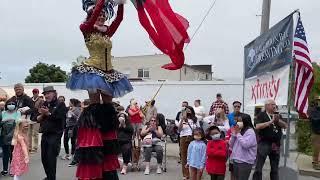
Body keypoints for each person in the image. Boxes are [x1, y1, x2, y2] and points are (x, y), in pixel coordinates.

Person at [36, 86, 67, 180]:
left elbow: (59, 117)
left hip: (55, 134)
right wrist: (42, 115)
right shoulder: (45, 103)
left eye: (48, 93)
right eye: (45, 94)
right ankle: (49, 176)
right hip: (45, 133)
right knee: (44, 158)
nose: (46, 96)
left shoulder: (60, 104)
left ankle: (51, 178)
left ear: (54, 93)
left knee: (51, 158)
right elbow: (38, 118)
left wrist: (48, 114)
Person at [252, 99, 287, 180]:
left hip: (276, 144)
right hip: (264, 143)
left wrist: (278, 121)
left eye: (275, 104)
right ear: (267, 106)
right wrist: (270, 122)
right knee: (259, 167)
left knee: (275, 168)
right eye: (272, 104)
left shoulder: (278, 114)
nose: (275, 106)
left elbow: (285, 125)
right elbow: (257, 126)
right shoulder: (261, 115)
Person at [229, 114, 257, 180]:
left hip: (245, 162)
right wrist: (233, 134)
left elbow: (246, 145)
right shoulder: (239, 130)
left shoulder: (250, 132)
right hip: (236, 160)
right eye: (238, 121)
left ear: (245, 121)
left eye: (240, 121)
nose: (238, 122)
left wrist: (238, 134)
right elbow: (231, 144)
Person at [178, 106, 200, 180]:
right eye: (186, 110)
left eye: (189, 110)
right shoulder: (182, 119)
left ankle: (193, 173)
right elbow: (179, 129)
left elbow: (198, 129)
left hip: (193, 138)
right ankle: (185, 174)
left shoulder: (195, 119)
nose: (188, 111)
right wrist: (182, 120)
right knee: (184, 156)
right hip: (183, 138)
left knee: (193, 156)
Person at [0, 101, 21, 176]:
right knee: (5, 154)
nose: (11, 105)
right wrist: (4, 122)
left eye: (13, 104)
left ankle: (12, 170)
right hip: (4, 135)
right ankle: (5, 169)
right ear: (6, 105)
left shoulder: (18, 113)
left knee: (13, 153)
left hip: (14, 135)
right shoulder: (3, 113)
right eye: (9, 104)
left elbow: (19, 122)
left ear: (15, 105)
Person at [117, 106, 133, 175]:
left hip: (126, 141)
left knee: (127, 149)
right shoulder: (116, 123)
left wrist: (124, 125)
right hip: (116, 141)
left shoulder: (128, 123)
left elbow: (131, 131)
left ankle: (125, 166)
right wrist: (119, 125)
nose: (122, 117)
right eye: (120, 116)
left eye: (123, 116)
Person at [29, 88, 43, 153]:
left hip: (37, 118)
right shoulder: (30, 99)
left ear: (38, 93)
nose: (35, 93)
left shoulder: (41, 100)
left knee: (35, 134)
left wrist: (39, 113)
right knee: (29, 134)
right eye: (34, 92)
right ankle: (29, 147)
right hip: (30, 118)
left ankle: (35, 148)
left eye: (36, 92)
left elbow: (42, 108)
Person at [308, 96, 320, 170]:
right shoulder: (313, 110)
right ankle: (315, 163)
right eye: (318, 100)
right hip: (316, 133)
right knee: (317, 148)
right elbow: (314, 120)